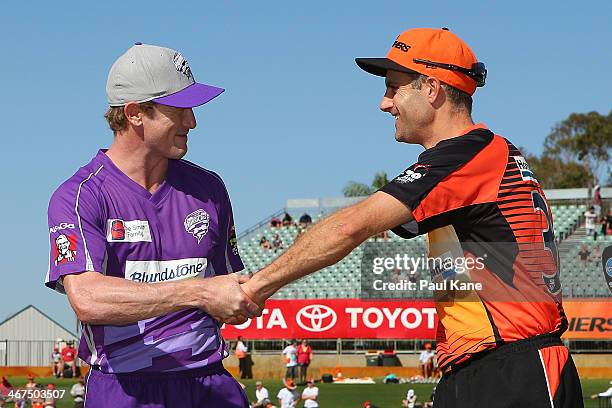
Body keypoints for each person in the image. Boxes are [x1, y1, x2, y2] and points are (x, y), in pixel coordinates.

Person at [239, 27, 583, 407]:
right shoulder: (482, 154)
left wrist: (257, 286)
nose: (384, 103)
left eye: (393, 87)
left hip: (510, 371)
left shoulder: (469, 154)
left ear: (432, 89)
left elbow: (349, 227)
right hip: (493, 365)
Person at [44, 43, 261, 407]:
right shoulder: (79, 195)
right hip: (125, 388)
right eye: (179, 109)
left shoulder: (210, 189)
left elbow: (228, 292)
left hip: (209, 382)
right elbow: (89, 299)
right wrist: (200, 292)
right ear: (135, 114)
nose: (192, 121)